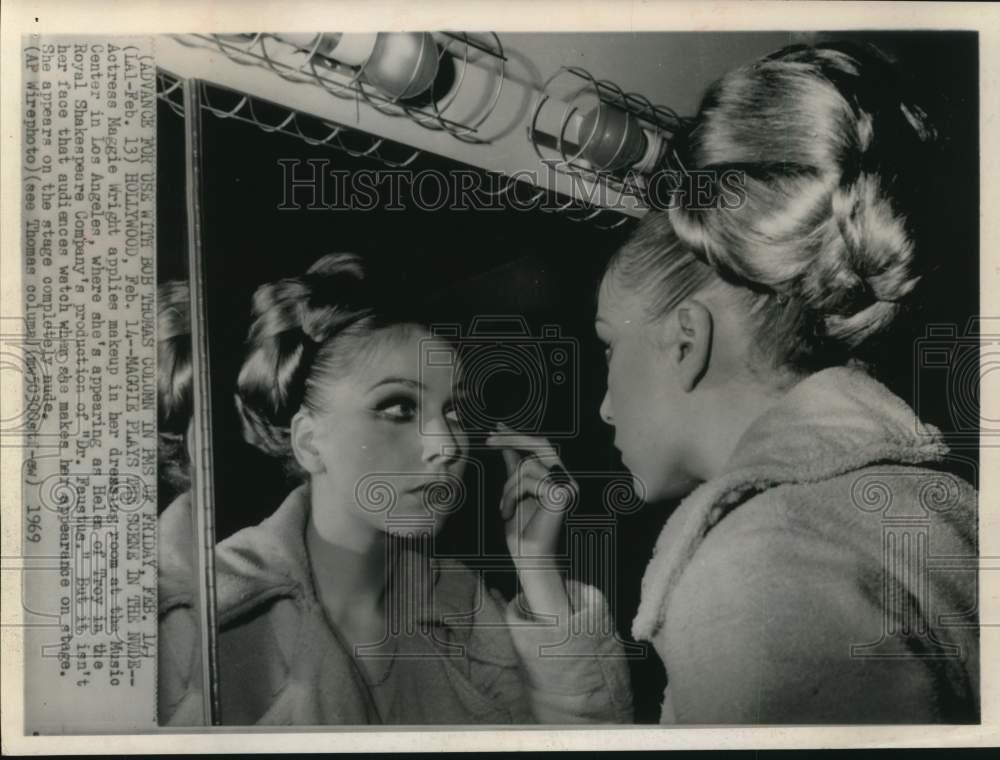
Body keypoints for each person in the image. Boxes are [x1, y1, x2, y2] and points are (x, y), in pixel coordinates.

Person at [593, 43, 978, 723]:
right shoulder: (925, 501)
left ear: (686, 340)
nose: (601, 407)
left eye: (607, 345)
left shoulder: (757, 573)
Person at [157, 253, 633, 725]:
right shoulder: (206, 613)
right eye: (399, 408)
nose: (446, 444)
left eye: (453, 411)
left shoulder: (461, 602)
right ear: (308, 441)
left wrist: (537, 568)